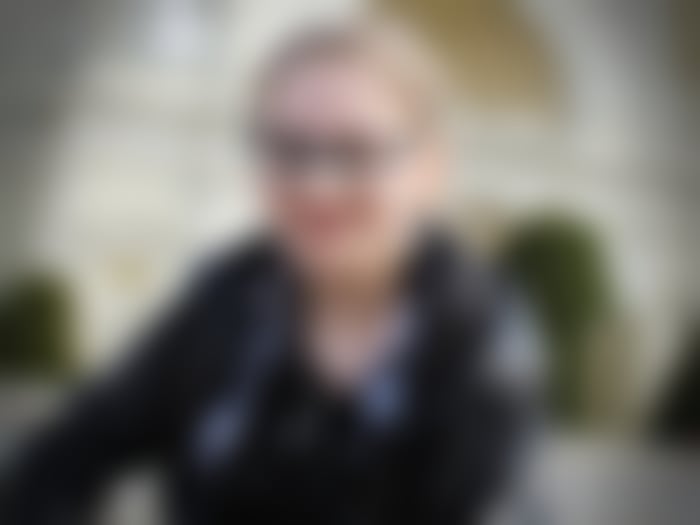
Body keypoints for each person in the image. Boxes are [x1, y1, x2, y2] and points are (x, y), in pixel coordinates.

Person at [4, 19, 540, 525]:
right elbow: (60, 459)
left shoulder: (486, 352)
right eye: (287, 149)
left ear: (431, 168)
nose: (316, 184)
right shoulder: (224, 304)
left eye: (356, 150)